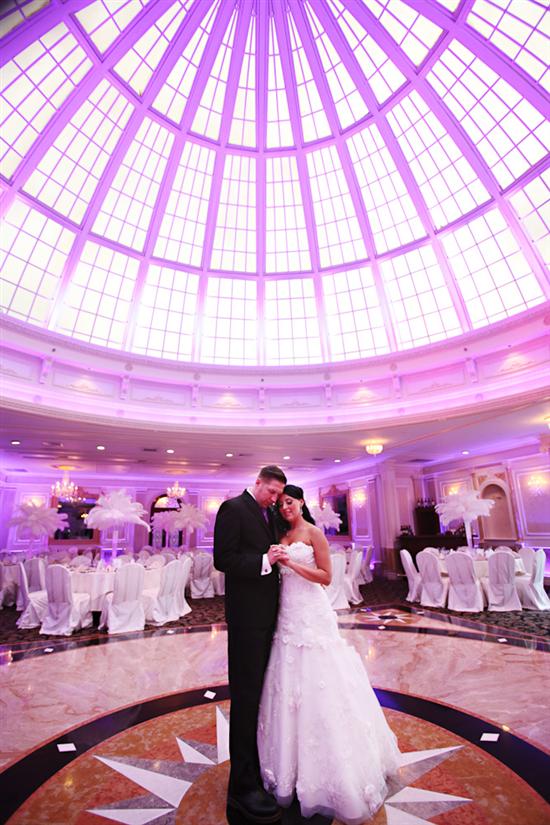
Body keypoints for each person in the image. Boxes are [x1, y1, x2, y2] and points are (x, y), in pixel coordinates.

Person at [257, 485, 401, 825]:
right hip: (287, 614)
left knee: (321, 680)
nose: (284, 508)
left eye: (289, 502)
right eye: (280, 504)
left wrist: (291, 563)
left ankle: (337, 773)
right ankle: (288, 766)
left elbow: (325, 577)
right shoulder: (281, 534)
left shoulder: (313, 533)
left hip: (312, 614)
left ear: (301, 502)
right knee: (287, 684)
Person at [214, 465, 289, 823]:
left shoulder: (269, 513)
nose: (274, 499)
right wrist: (264, 561)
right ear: (257, 482)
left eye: (279, 494)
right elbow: (223, 559)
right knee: (245, 699)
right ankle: (242, 784)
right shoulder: (233, 509)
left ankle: (261, 767)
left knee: (262, 696)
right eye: (271, 491)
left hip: (270, 616)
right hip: (246, 619)